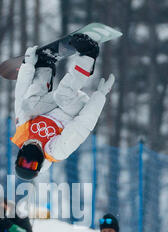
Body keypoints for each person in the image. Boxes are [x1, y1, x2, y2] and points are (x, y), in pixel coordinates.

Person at [12, 34, 115, 180]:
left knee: (28, 105)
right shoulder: (56, 151)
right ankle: (88, 55)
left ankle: (44, 67)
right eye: (32, 165)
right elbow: (82, 126)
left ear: (18, 158)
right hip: (71, 109)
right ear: (39, 165)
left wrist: (27, 66)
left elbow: (20, 96)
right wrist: (99, 96)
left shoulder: (23, 133)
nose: (29, 160)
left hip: (51, 105)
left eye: (24, 162)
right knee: (63, 95)